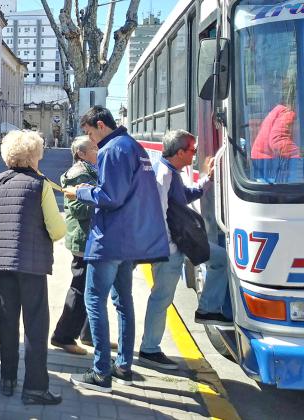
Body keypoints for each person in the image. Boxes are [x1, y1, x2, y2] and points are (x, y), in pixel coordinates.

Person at [64, 106, 169, 393]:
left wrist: (79, 192)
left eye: (89, 132)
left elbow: (109, 196)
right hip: (129, 239)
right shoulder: (134, 147)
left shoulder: (112, 149)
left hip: (109, 238)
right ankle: (123, 365)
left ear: (100, 125)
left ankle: (101, 372)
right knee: (124, 302)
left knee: (94, 300)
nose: (91, 140)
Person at [0, 130, 65, 405]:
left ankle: (7, 380)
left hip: (0, 262)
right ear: (34, 155)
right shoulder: (41, 185)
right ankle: (35, 388)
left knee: (7, 321)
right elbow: (57, 229)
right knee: (35, 326)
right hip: (32, 265)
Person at [139, 130, 231, 371]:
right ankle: (149, 350)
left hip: (182, 242)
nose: (195, 154)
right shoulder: (163, 175)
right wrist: (168, 247)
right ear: (179, 152)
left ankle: (208, 309)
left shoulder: (172, 173)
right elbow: (157, 214)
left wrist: (208, 181)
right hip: (170, 247)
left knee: (220, 260)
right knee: (161, 298)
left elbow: (183, 198)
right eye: (192, 150)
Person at [50, 136, 98, 356]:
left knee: (92, 286)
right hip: (83, 239)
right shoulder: (80, 174)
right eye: (93, 148)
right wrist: (104, 202)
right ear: (81, 153)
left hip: (87, 238)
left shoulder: (88, 171)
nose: (98, 150)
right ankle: (63, 336)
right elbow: (78, 208)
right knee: (80, 287)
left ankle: (88, 333)